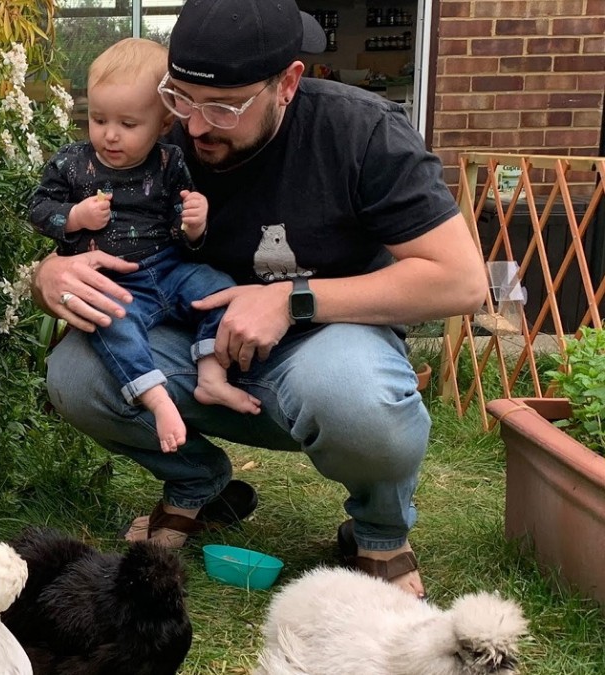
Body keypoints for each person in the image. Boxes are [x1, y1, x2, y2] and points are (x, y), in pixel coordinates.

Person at [32, 0, 487, 599]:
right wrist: (48, 273)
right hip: (199, 344)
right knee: (76, 373)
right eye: (181, 98)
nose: (195, 127)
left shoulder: (360, 130)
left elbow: (461, 281)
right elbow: (83, 227)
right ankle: (201, 486)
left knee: (355, 397)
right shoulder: (159, 133)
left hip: (330, 344)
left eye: (221, 107)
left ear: (288, 84)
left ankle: (378, 532)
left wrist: (290, 300)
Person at [29, 38, 261, 455]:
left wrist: (194, 223)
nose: (110, 135)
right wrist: (76, 217)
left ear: (164, 123)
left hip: (169, 267)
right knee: (113, 325)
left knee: (217, 287)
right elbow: (38, 207)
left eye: (128, 124)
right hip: (113, 281)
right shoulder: (72, 163)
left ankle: (211, 376)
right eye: (98, 119)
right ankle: (156, 399)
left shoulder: (171, 162)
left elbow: (182, 225)